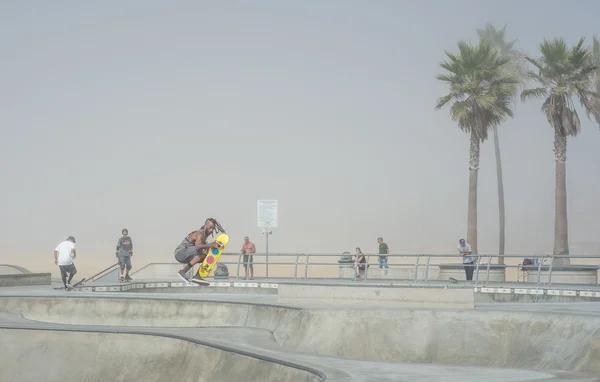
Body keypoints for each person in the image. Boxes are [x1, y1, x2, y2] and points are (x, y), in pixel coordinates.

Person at [174, 218, 225, 284]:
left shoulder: (204, 236)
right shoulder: (199, 234)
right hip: (180, 252)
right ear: (206, 225)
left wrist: (213, 246)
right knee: (203, 254)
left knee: (206, 257)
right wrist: (210, 245)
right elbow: (198, 247)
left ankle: (197, 276)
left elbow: (203, 248)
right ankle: (183, 272)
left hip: (185, 253)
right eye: (210, 228)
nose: (211, 230)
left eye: (213, 228)